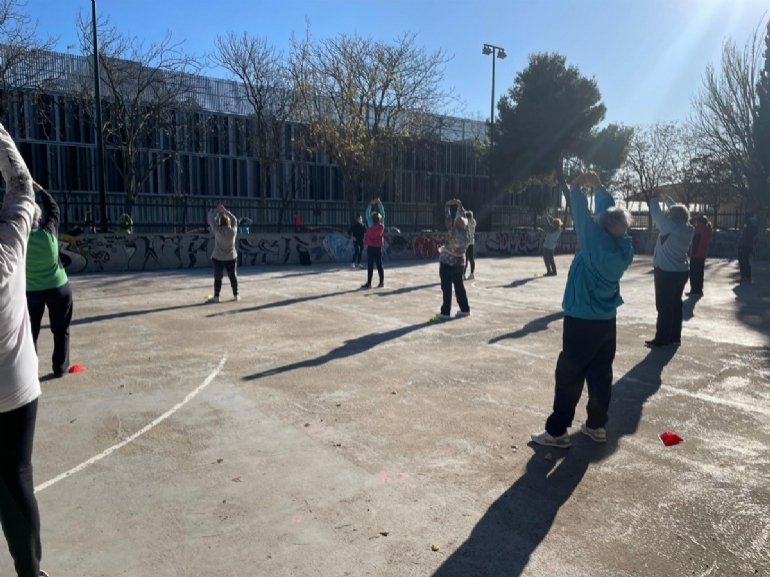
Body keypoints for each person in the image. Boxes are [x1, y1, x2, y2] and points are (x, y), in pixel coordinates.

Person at [531, 172, 634, 449]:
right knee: (601, 373)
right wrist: (599, 188)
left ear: (602, 227)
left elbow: (582, 215)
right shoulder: (623, 248)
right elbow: (610, 218)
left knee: (570, 373)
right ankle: (596, 425)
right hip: (606, 320)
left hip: (582, 318)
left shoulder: (595, 242)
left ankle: (557, 432)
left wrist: (576, 188)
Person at [0, 122, 49, 577]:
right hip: (18, 385)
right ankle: (30, 570)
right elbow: (21, 187)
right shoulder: (9, 248)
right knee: (18, 477)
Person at [26, 182, 73, 378]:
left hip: (31, 292)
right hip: (58, 287)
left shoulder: (18, 238)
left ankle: (28, 372)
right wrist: (40, 190)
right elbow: (54, 210)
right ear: (39, 218)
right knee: (61, 330)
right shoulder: (49, 233)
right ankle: (60, 368)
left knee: (30, 333)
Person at [646, 191, 693, 348]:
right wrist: (667, 199)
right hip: (682, 271)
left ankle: (662, 338)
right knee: (676, 305)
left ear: (673, 216)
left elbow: (655, 212)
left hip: (666, 271)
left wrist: (654, 197)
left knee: (664, 306)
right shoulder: (689, 228)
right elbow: (678, 211)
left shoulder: (669, 227)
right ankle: (674, 336)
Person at [438, 199, 472, 319]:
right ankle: (465, 309)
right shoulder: (467, 234)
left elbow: (447, 218)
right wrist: (460, 206)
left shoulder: (452, 231)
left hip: (447, 262)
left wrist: (447, 206)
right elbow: (463, 219)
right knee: (459, 287)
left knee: (446, 287)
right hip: (460, 263)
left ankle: (445, 311)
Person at [206, 205, 239, 304]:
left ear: (220, 223)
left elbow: (211, 220)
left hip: (218, 257)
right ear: (229, 223)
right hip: (231, 257)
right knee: (232, 276)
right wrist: (225, 211)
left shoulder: (218, 231)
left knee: (218, 277)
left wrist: (216, 212)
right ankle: (236, 295)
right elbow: (235, 220)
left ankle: (216, 296)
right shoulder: (233, 232)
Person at [686, 215, 713, 297]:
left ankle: (694, 290)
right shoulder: (708, 230)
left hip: (696, 254)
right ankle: (698, 290)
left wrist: (695, 218)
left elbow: (688, 224)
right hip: (702, 254)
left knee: (693, 274)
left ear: (700, 223)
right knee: (699, 273)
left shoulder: (698, 229)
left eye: (697, 222)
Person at [361, 200, 384, 289]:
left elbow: (367, 214)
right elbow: (383, 214)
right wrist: (380, 204)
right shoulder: (381, 225)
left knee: (370, 265)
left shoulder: (370, 224)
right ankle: (381, 282)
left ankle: (369, 283)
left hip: (371, 246)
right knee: (379, 265)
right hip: (378, 247)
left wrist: (370, 204)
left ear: (372, 218)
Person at [737, 212, 758, 284]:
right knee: (744, 261)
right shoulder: (753, 228)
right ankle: (746, 277)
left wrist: (749, 213)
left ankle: (745, 277)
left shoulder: (750, 227)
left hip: (744, 245)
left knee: (743, 261)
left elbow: (746, 219)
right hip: (746, 245)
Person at [463, 210, 477, 280]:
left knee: (464, 259)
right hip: (471, 242)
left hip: (465, 242)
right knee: (471, 259)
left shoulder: (466, 222)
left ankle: (463, 274)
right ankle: (472, 274)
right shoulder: (474, 222)